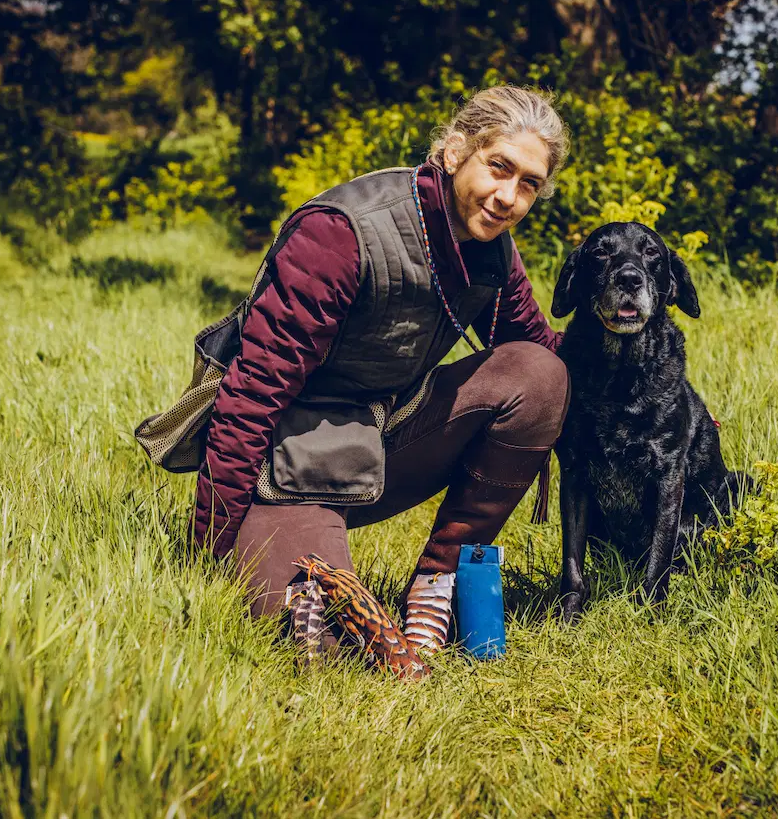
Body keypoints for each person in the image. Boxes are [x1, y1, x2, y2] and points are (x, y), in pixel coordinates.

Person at [192, 85, 569, 656]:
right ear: (454, 151)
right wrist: (211, 543)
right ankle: (282, 543)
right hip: (289, 460)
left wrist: (663, 385)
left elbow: (539, 349)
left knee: (541, 376)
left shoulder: (492, 248)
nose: (507, 196)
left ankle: (437, 582)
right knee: (325, 645)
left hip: (392, 433)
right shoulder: (341, 234)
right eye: (499, 168)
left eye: (529, 184)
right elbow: (251, 395)